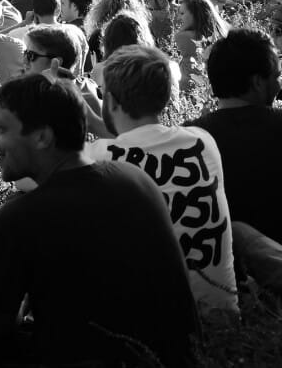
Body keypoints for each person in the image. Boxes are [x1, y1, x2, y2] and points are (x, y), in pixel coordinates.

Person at [0, 74, 199, 368]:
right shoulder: (135, 179)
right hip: (178, 358)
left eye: (0, 128)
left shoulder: (19, 218)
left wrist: (0, 252)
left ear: (43, 137)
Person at [89, 46, 239, 313]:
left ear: (110, 101)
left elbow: (32, 177)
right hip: (224, 317)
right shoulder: (201, 141)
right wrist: (92, 120)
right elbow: (139, 143)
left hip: (157, 329)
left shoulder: (98, 157)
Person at [192, 29, 282, 259]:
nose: (280, 85)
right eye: (276, 76)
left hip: (221, 268)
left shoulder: (190, 140)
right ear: (257, 83)